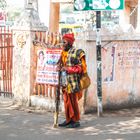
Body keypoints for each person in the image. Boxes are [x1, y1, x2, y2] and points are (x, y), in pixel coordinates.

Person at [58, 33, 87, 128]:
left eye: (64, 42)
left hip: (73, 82)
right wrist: (59, 68)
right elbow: (62, 65)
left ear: (70, 43)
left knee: (73, 102)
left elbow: (81, 68)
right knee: (66, 101)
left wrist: (68, 69)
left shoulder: (77, 52)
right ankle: (68, 119)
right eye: (62, 41)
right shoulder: (63, 52)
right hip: (64, 82)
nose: (62, 43)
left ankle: (76, 121)